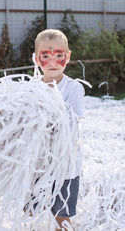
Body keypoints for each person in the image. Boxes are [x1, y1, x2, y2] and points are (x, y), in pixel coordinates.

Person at [33, 29, 85, 230]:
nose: (53, 62)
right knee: (30, 210)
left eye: (59, 55)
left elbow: (73, 122)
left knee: (61, 216)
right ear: (36, 59)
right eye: (45, 56)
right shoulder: (32, 88)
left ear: (68, 56)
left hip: (67, 166)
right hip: (38, 164)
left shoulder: (73, 89)